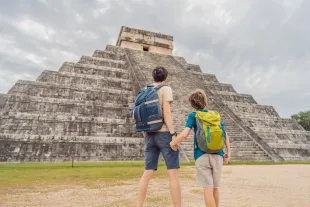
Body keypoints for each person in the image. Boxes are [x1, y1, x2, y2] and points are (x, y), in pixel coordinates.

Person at [170, 89, 231, 207]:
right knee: (215, 188)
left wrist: (173, 143)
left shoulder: (193, 115)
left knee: (207, 189)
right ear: (205, 101)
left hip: (201, 155)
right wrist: (228, 152)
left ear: (192, 104)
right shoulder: (215, 115)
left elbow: (185, 134)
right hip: (218, 154)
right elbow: (225, 135)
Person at [137, 67, 181, 207]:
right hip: (164, 134)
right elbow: (166, 113)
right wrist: (173, 134)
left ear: (153, 77)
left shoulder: (145, 90)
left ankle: (139, 205)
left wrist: (145, 131)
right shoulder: (165, 89)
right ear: (165, 77)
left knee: (147, 173)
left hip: (149, 134)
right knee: (172, 173)